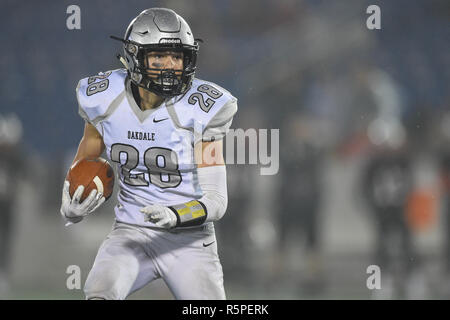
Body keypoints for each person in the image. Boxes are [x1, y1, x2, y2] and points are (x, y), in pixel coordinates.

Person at [59, 8, 238, 300]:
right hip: (131, 233)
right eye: (160, 56)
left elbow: (216, 201)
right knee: (99, 292)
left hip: (189, 241)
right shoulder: (105, 98)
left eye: (177, 57)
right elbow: (86, 164)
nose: (170, 66)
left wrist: (176, 214)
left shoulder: (202, 108)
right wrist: (73, 203)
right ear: (134, 56)